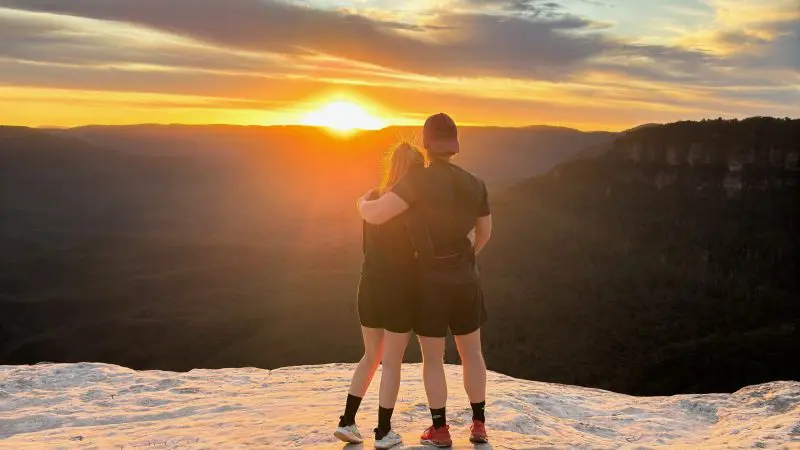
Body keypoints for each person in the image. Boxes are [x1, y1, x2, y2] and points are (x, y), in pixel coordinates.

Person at [358, 113, 493, 447]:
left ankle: (440, 429)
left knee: (433, 358)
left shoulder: (417, 180)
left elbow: (377, 215)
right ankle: (478, 425)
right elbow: (484, 234)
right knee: (472, 353)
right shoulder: (475, 183)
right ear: (455, 143)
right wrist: (463, 258)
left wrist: (362, 202)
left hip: (430, 283)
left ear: (427, 143)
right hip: (466, 279)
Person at [334, 142, 424, 449]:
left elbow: (365, 244)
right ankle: (384, 432)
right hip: (400, 290)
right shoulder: (413, 206)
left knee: (371, 355)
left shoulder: (372, 198)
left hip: (369, 285)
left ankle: (347, 422)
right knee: (392, 362)